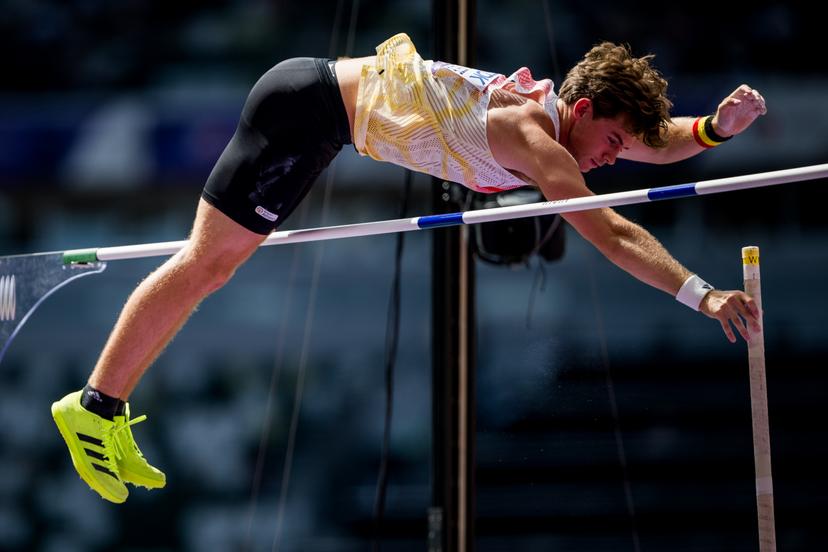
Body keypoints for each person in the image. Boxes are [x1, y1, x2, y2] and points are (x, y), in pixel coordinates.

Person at [51, 33, 766, 503]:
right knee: (207, 266)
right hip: (305, 111)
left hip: (319, 116)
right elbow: (610, 232)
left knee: (213, 268)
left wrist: (712, 130)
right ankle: (92, 407)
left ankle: (103, 407)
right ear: (579, 110)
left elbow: (652, 142)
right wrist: (701, 297)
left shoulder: (565, 122)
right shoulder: (534, 137)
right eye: (610, 141)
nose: (615, 156)